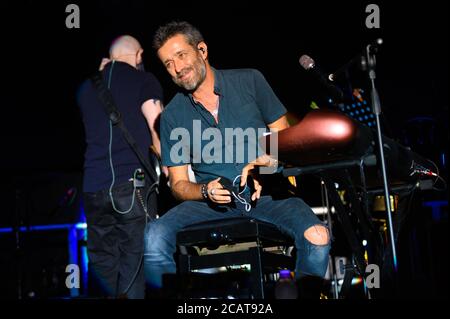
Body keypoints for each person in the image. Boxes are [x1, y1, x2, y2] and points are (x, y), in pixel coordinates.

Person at [143, 21, 330, 297]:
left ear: (202, 50)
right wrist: (205, 190)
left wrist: (260, 166)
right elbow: (178, 184)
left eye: (181, 55)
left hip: (270, 196)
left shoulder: (250, 80)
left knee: (318, 236)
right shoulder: (172, 115)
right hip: (209, 205)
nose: (177, 68)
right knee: (153, 236)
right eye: (168, 63)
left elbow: (289, 144)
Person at [77, 35, 163, 299]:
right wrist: (171, 167)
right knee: (134, 266)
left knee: (103, 266)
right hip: (131, 187)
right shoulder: (144, 79)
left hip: (93, 189)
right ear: (138, 56)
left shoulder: (85, 88)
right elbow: (157, 124)